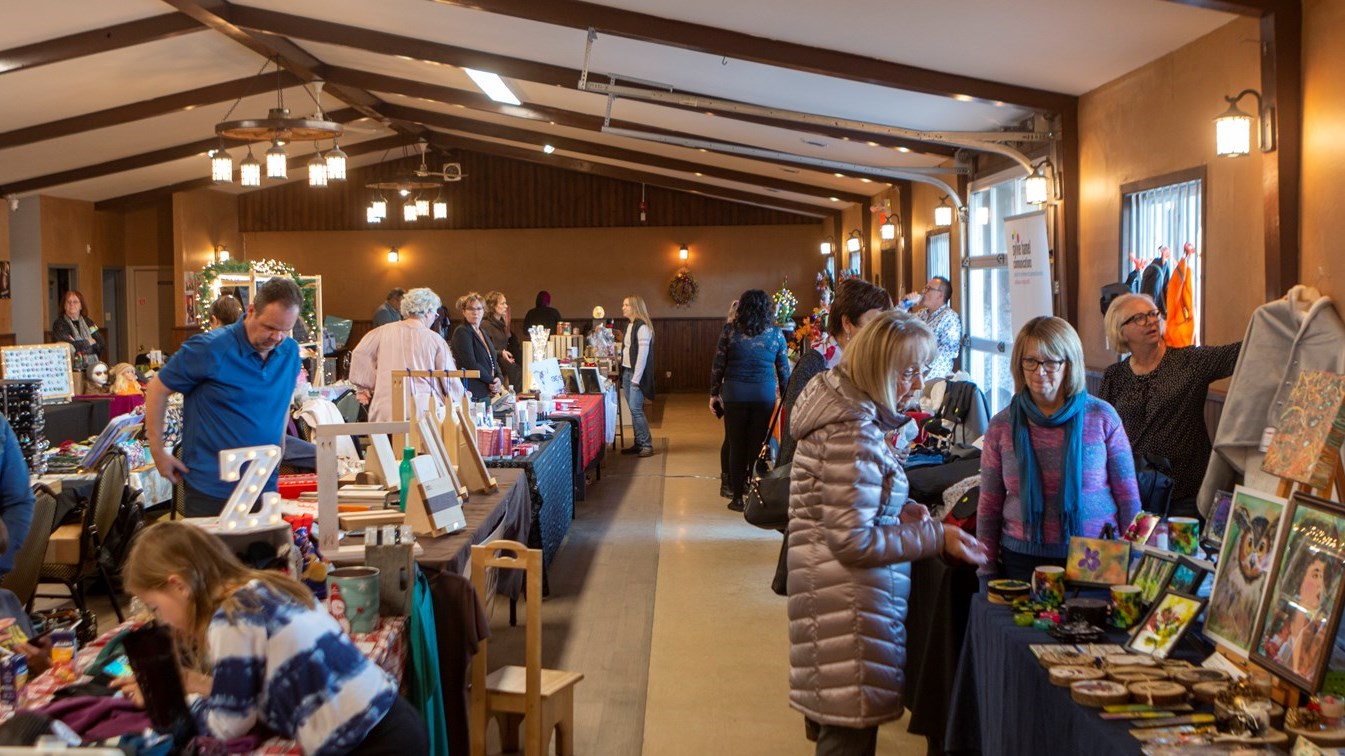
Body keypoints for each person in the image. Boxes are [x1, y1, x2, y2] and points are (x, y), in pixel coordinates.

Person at [786, 311, 987, 755]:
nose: (917, 384)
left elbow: (847, 511)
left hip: (843, 606)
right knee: (847, 740)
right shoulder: (851, 432)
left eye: (921, 371)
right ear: (879, 369)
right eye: (909, 372)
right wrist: (937, 536)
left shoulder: (851, 415)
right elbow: (852, 540)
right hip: (850, 611)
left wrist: (902, 510)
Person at [117, 521, 428, 754]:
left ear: (179, 586)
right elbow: (255, 690)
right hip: (394, 724)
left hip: (371, 745)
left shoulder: (231, 617)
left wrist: (169, 704)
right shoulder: (260, 589)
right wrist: (190, 683)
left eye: (156, 607)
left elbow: (228, 725)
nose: (160, 620)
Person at [978, 316, 1141, 582]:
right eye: (1030, 361)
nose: (1039, 372)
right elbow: (989, 504)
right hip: (1022, 557)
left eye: (1051, 362)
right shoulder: (1001, 425)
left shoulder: (1102, 417)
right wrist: (985, 568)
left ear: (1070, 364)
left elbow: (1128, 497)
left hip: (1096, 555)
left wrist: (1135, 559)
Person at [147, 277, 302, 517]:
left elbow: (280, 403)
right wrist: (158, 452)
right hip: (211, 489)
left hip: (263, 483)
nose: (276, 338)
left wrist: (279, 447)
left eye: (284, 330)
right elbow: (158, 388)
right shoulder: (210, 348)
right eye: (270, 327)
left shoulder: (289, 352)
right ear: (251, 311)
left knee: (261, 554)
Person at [1100, 293, 1240, 518]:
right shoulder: (1114, 376)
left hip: (1184, 492)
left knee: (1181, 552)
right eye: (1139, 318)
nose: (1151, 321)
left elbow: (1238, 353)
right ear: (1121, 330)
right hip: (1135, 490)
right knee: (1139, 553)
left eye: (1153, 314)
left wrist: (1274, 320)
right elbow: (1104, 434)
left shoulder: (1190, 362)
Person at [779, 278, 892, 466]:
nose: (879, 333)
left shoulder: (864, 364)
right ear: (847, 323)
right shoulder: (815, 363)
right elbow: (798, 426)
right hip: (810, 474)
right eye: (873, 325)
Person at [709, 289, 790, 512]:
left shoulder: (730, 331)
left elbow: (718, 364)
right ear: (767, 309)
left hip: (734, 393)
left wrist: (714, 394)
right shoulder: (775, 334)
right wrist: (786, 398)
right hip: (763, 395)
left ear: (742, 308)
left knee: (736, 445)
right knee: (757, 445)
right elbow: (784, 371)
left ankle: (736, 497)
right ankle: (754, 497)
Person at [350, 287, 466, 422]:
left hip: (385, 411)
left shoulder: (381, 332)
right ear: (427, 311)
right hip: (422, 413)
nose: (434, 318)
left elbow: (360, 354)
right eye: (435, 314)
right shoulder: (435, 339)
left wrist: (365, 386)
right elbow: (449, 378)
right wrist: (462, 401)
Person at [1266, 549, 1337, 680]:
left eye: (1324, 581)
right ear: (1303, 576)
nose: (1319, 586)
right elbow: (1268, 642)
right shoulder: (1288, 607)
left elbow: (1303, 671)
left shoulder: (1320, 627)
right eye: (1315, 575)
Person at [900, 276, 961, 378]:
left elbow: (947, 353)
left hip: (932, 375)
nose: (923, 292)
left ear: (940, 295)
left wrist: (920, 369)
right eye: (925, 288)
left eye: (928, 289)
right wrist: (904, 306)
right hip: (913, 369)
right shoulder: (921, 314)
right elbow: (898, 327)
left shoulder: (949, 318)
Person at [450, 292, 504, 400]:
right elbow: (471, 363)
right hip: (472, 392)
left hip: (486, 391)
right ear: (464, 312)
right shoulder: (462, 331)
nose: (475, 312)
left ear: (484, 311)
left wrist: (499, 379)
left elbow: (493, 359)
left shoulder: (483, 332)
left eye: (479, 308)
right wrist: (492, 380)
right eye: (471, 309)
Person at [620, 295, 655, 458]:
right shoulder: (630, 325)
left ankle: (647, 444)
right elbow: (628, 350)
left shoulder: (642, 327)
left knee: (636, 409)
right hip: (627, 371)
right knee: (633, 410)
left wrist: (636, 379)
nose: (623, 307)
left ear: (635, 307)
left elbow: (642, 355)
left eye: (626, 305)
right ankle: (639, 442)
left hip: (636, 374)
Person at [51, 290, 105, 371]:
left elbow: (101, 343)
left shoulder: (89, 322)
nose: (71, 304)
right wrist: (88, 342)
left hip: (92, 367)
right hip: (70, 369)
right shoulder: (59, 324)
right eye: (68, 302)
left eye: (75, 302)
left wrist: (79, 345)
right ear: (64, 306)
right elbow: (69, 347)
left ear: (81, 306)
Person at [481, 291, 522, 390]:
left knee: (520, 362)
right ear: (493, 306)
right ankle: (515, 394)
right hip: (492, 360)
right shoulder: (485, 325)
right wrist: (501, 353)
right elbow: (484, 349)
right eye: (502, 303)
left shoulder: (501, 324)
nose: (506, 306)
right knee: (515, 370)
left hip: (501, 358)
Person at [1164, 242, 1197, 348]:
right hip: (1181, 331)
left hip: (1181, 331)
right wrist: (1186, 257)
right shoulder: (1177, 288)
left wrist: (1186, 257)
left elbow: (1178, 280)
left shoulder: (1177, 286)